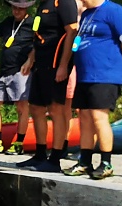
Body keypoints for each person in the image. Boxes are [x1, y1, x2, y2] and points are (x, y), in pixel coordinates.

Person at [62, 0, 122, 180]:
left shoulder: (114, 11)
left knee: (99, 117)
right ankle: (85, 161)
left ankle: (106, 162)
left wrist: (116, 61)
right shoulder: (87, 14)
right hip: (85, 75)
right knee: (84, 117)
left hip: (104, 76)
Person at [16, 0, 79, 172]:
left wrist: (63, 65)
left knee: (55, 109)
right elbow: (39, 36)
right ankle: (40, 153)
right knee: (35, 107)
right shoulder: (43, 4)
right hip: (41, 63)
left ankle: (55, 158)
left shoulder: (64, 2)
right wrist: (31, 59)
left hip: (55, 62)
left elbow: (72, 32)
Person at [0, 0, 35, 155]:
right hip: (4, 71)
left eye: (20, 8)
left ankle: (19, 143)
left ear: (26, 8)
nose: (16, 11)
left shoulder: (32, 23)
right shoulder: (9, 22)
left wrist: (30, 60)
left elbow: (39, 43)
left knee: (22, 106)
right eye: (14, 7)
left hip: (20, 71)